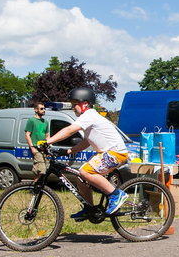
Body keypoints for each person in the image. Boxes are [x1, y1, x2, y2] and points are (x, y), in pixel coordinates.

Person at [44, 87, 129, 220]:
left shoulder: (89, 115)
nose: (73, 108)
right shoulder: (89, 117)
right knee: (80, 176)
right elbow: (87, 142)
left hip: (115, 153)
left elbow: (70, 130)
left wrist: (48, 141)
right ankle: (89, 208)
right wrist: (68, 151)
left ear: (85, 104)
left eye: (75, 104)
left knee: (85, 172)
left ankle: (116, 194)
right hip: (108, 153)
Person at [24, 101, 50, 177]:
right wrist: (32, 148)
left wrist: (47, 148)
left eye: (44, 108)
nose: (44, 110)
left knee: (46, 168)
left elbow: (47, 136)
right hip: (36, 148)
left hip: (44, 148)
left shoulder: (45, 122)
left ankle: (37, 187)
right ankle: (36, 186)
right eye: (41, 109)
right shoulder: (31, 121)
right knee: (41, 169)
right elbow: (27, 135)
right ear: (36, 110)